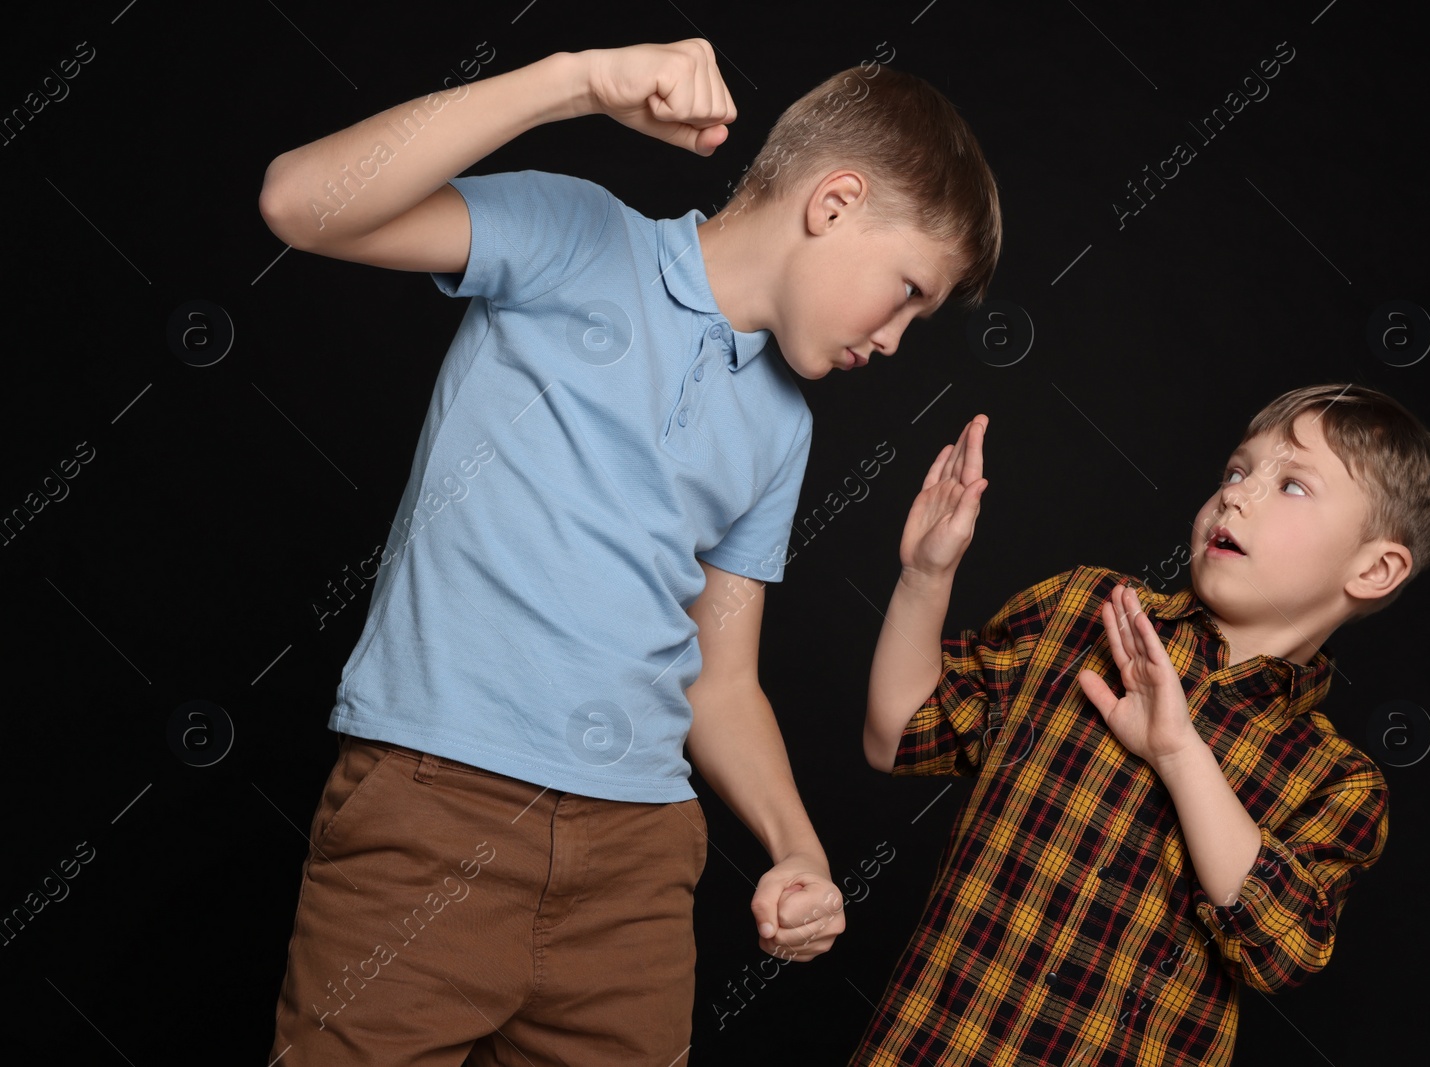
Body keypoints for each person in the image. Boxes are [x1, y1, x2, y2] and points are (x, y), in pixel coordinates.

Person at [256, 38, 1001, 1065]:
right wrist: (570, 84)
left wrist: (798, 849)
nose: (895, 341)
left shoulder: (783, 424)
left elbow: (722, 681)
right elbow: (301, 202)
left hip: (636, 867)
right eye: (909, 290)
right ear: (833, 203)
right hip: (434, 808)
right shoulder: (577, 235)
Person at [856, 384, 1430, 1065]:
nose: (1236, 495)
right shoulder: (1084, 611)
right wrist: (924, 576)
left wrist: (1177, 751)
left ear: (1374, 568)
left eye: (1292, 484)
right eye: (1237, 470)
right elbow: (900, 731)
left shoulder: (1336, 780)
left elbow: (1282, 949)